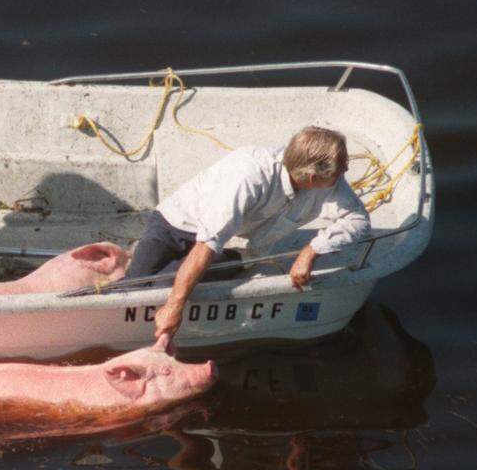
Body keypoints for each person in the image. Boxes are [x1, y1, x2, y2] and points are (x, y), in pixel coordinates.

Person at [128, 126, 370, 345]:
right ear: (311, 177)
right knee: (131, 289)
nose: (346, 171)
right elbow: (207, 244)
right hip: (176, 223)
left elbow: (358, 219)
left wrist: (312, 250)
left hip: (234, 245)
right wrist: (174, 306)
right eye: (341, 169)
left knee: (160, 288)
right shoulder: (248, 176)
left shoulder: (329, 182)